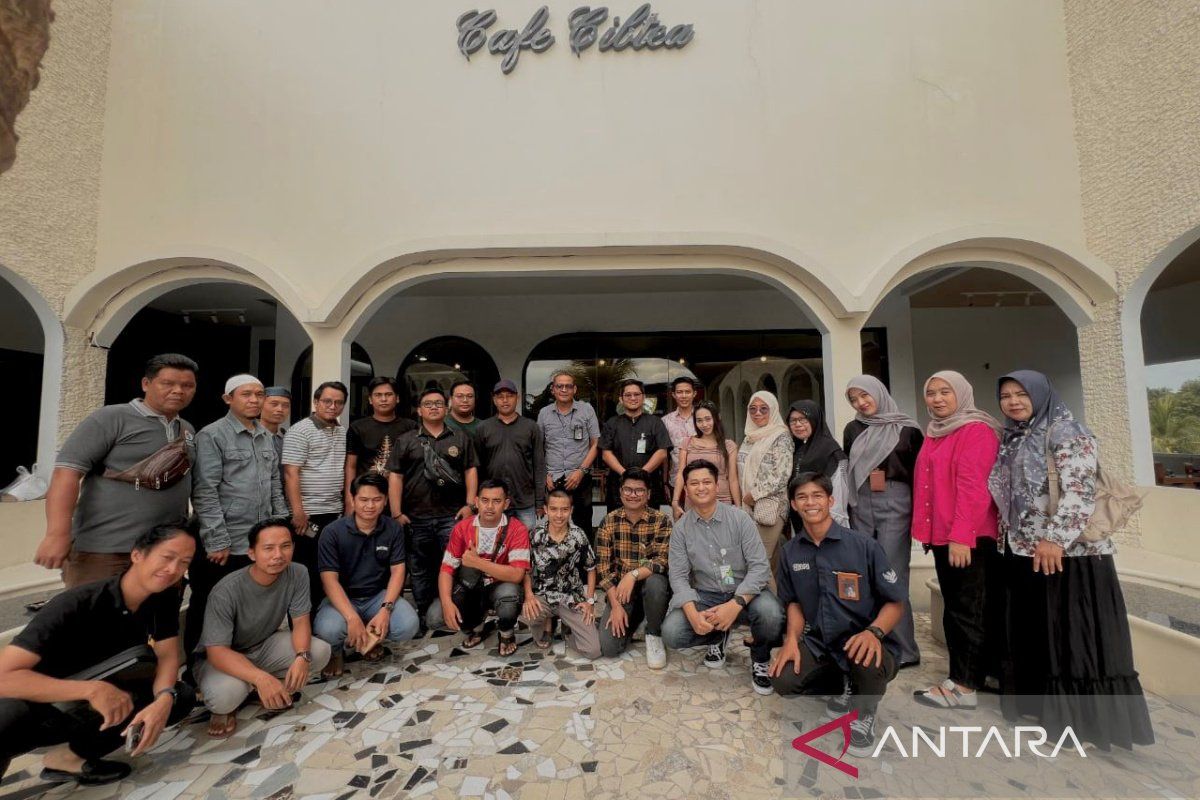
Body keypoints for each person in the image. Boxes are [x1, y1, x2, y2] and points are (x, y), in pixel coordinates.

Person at [987, 370, 1153, 749]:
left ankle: (1084, 725)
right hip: (1026, 551)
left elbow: (1079, 492)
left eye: (1022, 394)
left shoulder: (1067, 432)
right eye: (1006, 395)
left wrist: (1055, 539)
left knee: (1071, 637)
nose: (1013, 401)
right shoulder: (1013, 438)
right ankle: (1044, 711)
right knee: (1041, 634)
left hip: (1069, 555)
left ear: (1040, 394)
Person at [0, 524, 198, 785]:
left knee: (180, 696)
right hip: (41, 706)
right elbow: (4, 678)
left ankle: (69, 759)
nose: (173, 569)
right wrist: (92, 690)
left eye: (184, 562)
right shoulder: (77, 603)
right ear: (137, 555)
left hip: (95, 702)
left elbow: (167, 656)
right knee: (6, 716)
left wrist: (163, 699)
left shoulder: (162, 599)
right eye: (167, 557)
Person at [769, 473, 905, 757]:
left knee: (864, 655)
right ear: (793, 505)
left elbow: (895, 602)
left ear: (830, 500)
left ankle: (864, 711)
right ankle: (845, 683)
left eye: (817, 496)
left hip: (866, 639)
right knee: (783, 679)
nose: (810, 503)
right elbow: (793, 602)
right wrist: (791, 640)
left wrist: (874, 632)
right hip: (823, 643)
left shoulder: (863, 546)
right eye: (802, 497)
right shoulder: (791, 552)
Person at [34, 353, 199, 587]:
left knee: (159, 611)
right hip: (105, 551)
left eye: (187, 386)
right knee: (98, 609)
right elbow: (66, 474)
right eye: (168, 383)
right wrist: (57, 534)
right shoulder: (111, 418)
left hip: (164, 551)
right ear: (146, 384)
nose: (178, 391)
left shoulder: (187, 430)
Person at [911, 370, 1002, 710]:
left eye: (945, 391)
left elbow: (973, 488)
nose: (937, 398)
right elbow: (928, 486)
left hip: (968, 538)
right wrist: (929, 533)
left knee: (966, 611)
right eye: (931, 392)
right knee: (962, 608)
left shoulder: (976, 431)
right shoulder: (937, 431)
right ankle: (980, 675)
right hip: (945, 537)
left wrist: (961, 537)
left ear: (962, 393)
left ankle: (963, 686)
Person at [195, 519, 332, 739]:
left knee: (320, 651)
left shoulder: (298, 572)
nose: (278, 555)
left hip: (262, 646)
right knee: (224, 697)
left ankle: (257, 687)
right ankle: (254, 688)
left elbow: (300, 621)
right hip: (223, 658)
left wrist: (302, 656)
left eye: (285, 546)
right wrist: (261, 678)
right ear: (251, 553)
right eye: (268, 548)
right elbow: (217, 652)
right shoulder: (226, 591)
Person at [188, 374, 289, 659]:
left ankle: (243, 659)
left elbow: (275, 484)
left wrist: (280, 525)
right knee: (210, 602)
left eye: (259, 394)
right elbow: (205, 491)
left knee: (248, 604)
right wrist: (216, 540)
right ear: (228, 398)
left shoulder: (265, 437)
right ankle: (200, 666)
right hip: (226, 542)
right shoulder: (212, 435)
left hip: (258, 540)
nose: (254, 400)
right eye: (246, 394)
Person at [661, 460, 783, 694]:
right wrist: (692, 614)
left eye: (707, 482)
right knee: (672, 632)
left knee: (771, 614)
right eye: (694, 483)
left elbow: (760, 567)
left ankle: (760, 658)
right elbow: (678, 576)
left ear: (717, 486)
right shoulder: (681, 529)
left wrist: (735, 604)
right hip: (707, 595)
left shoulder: (740, 519)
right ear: (686, 489)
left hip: (746, 593)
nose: (701, 487)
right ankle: (717, 635)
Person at [842, 375, 924, 668]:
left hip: (896, 499)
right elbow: (849, 470)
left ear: (879, 393)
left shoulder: (908, 429)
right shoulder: (853, 428)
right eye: (854, 399)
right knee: (865, 571)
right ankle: (871, 640)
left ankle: (904, 649)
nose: (861, 403)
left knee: (892, 572)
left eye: (865, 395)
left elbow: (919, 474)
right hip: (861, 500)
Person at [387, 387, 479, 628]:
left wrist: (470, 504)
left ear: (446, 408)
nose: (434, 408)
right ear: (419, 410)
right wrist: (396, 512)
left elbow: (470, 470)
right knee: (419, 570)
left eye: (438, 403)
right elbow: (395, 476)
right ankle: (423, 615)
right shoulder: (406, 440)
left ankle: (455, 613)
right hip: (415, 517)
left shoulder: (460, 437)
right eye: (428, 404)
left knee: (456, 565)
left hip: (452, 516)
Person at [315, 474, 419, 678]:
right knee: (329, 629)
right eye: (363, 499)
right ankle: (336, 652)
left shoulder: (393, 528)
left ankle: (371, 641)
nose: (370, 506)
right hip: (343, 598)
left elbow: (398, 571)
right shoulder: (332, 532)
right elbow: (329, 580)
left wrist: (385, 610)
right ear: (352, 499)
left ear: (385, 500)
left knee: (408, 625)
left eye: (377, 499)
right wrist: (352, 617)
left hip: (376, 596)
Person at [431, 480, 530, 657]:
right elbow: (446, 569)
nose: (490, 506)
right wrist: (446, 603)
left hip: (501, 586)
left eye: (496, 501)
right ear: (476, 502)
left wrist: (477, 562)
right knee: (435, 617)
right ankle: (477, 626)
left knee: (509, 596)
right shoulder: (462, 528)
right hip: (472, 587)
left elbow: (517, 575)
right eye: (485, 500)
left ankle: (506, 633)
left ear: (506, 504)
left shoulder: (517, 529)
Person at [594, 468, 672, 666]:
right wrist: (616, 606)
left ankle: (654, 633)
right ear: (621, 492)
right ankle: (636, 615)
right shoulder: (609, 521)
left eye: (639, 490)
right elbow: (603, 569)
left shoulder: (661, 520)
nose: (633, 495)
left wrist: (633, 575)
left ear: (648, 494)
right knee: (609, 648)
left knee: (656, 583)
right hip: (621, 592)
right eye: (628, 489)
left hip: (649, 585)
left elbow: (662, 560)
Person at [282, 380, 349, 608]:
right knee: (306, 571)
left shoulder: (340, 431)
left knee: (327, 568)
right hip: (308, 515)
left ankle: (322, 619)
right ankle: (302, 622)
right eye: (327, 401)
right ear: (316, 402)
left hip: (333, 512)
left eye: (338, 402)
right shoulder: (300, 431)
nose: (333, 406)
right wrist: (298, 512)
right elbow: (291, 473)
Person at [520, 489, 600, 657]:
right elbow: (526, 569)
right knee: (528, 615)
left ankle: (568, 631)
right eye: (554, 509)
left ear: (571, 510)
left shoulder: (578, 535)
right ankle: (547, 623)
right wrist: (528, 596)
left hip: (571, 597)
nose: (559, 515)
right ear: (546, 509)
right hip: (543, 595)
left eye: (564, 509)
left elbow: (591, 568)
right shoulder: (535, 535)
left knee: (593, 650)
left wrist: (590, 601)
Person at [537, 370, 600, 540]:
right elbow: (538, 448)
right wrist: (545, 475)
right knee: (555, 524)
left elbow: (596, 443)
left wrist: (581, 471)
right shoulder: (544, 413)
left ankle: (583, 557)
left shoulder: (587, 410)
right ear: (553, 389)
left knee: (583, 524)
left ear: (575, 389)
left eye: (568, 386)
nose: (564, 390)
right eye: (560, 386)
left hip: (580, 477)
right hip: (553, 479)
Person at [475, 379, 545, 531]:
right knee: (495, 542)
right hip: (493, 502)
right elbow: (477, 468)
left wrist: (540, 502)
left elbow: (539, 466)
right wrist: (479, 500)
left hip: (524, 501)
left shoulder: (531, 427)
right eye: (500, 396)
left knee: (525, 541)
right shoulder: (483, 428)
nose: (505, 400)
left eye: (509, 396)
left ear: (517, 398)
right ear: (494, 400)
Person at [737, 391, 792, 575]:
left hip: (770, 507)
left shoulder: (781, 436)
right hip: (749, 506)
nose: (757, 413)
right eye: (752, 409)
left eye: (763, 409)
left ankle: (763, 596)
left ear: (773, 410)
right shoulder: (749, 438)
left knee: (758, 562)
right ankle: (777, 594)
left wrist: (754, 495)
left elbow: (782, 475)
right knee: (770, 564)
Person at [599, 379, 671, 510]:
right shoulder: (612, 423)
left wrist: (641, 474)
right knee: (618, 521)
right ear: (621, 399)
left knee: (649, 521)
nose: (633, 398)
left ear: (643, 397)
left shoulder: (655, 422)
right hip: (618, 486)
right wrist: (625, 475)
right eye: (628, 395)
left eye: (636, 394)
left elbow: (662, 452)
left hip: (648, 485)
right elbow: (606, 453)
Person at [344, 376, 416, 505]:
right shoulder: (357, 427)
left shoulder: (411, 427)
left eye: (388, 394)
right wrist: (350, 500)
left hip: (403, 497)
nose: (383, 399)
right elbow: (351, 466)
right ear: (370, 399)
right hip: (367, 497)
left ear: (397, 398)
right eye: (378, 395)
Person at [671, 401, 740, 518]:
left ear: (717, 418)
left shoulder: (729, 446)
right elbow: (681, 474)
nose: (704, 424)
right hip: (694, 498)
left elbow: (733, 479)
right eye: (699, 420)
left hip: (722, 499)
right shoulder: (687, 443)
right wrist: (675, 501)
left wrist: (738, 507)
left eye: (708, 419)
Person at [787, 400, 849, 527]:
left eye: (803, 419)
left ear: (814, 419)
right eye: (793, 420)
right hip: (801, 521)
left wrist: (829, 527)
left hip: (826, 523)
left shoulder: (830, 450)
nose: (797, 424)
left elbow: (838, 495)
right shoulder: (796, 449)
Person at [661, 376, 699, 494]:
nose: (683, 396)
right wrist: (665, 482)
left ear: (694, 393)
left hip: (702, 480)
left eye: (687, 392)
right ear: (673, 394)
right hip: (676, 480)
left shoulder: (703, 418)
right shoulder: (666, 421)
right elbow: (665, 455)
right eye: (679, 392)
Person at [261, 386, 292, 490]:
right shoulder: (248, 436)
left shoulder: (289, 438)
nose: (280, 409)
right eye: (274, 404)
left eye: (286, 406)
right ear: (260, 405)